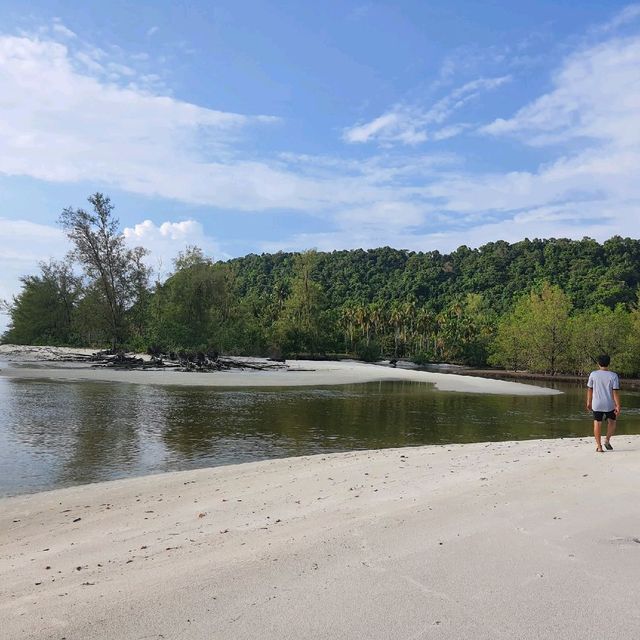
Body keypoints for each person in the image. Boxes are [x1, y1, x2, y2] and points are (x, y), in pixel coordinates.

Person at [586, 354, 621, 452]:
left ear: (598, 363)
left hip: (596, 403)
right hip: (609, 404)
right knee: (612, 422)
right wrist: (618, 405)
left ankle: (599, 446)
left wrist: (588, 402)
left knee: (597, 423)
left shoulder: (593, 374)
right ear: (609, 363)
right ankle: (607, 439)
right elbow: (615, 392)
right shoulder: (613, 375)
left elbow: (590, 389)